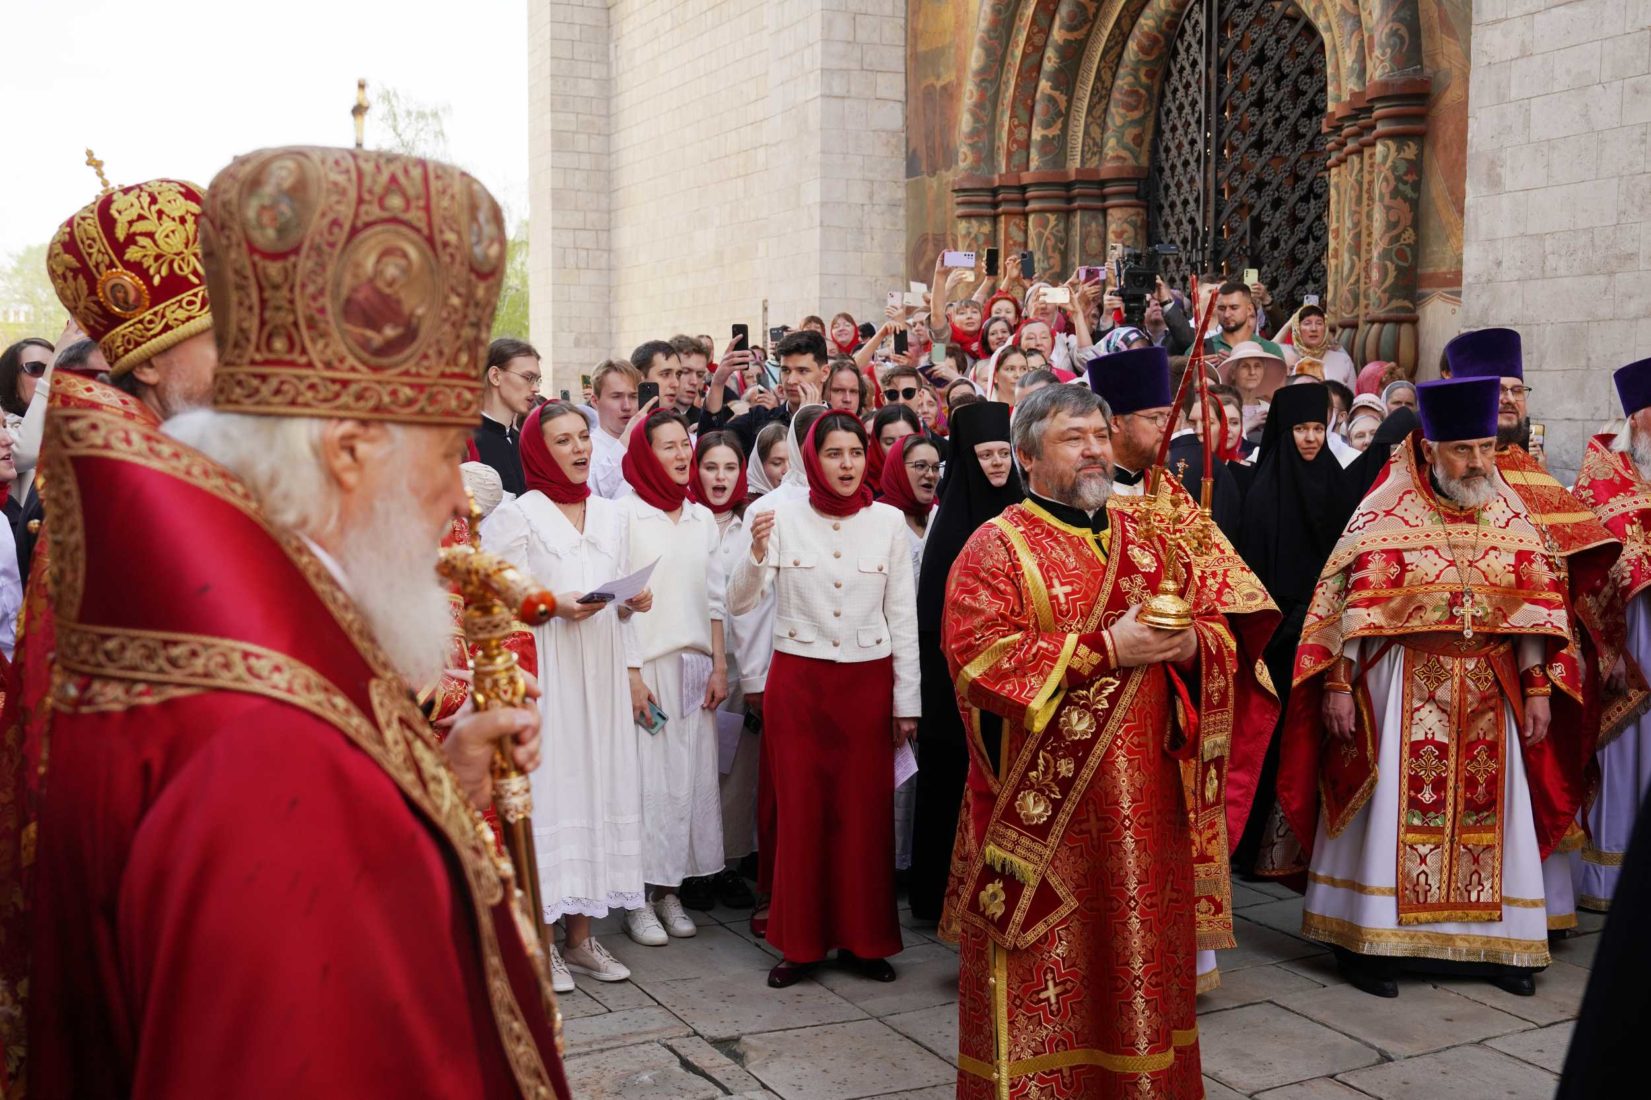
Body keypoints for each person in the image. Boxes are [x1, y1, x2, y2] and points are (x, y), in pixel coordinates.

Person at [28, 145, 569, 1097]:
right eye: (445, 454)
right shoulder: (259, 741)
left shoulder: (258, 615)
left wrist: (440, 780)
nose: (458, 498)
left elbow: (333, 888)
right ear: (351, 452)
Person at [942, 383, 1277, 1096]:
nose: (1094, 449)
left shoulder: (1150, 538)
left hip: (1148, 814)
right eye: (1073, 437)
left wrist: (1193, 646)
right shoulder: (996, 547)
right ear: (1028, 455)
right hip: (1048, 822)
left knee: (1140, 970)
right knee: (1048, 977)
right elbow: (979, 662)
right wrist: (1106, 650)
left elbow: (1220, 634)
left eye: (1099, 434)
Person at [1275, 377, 1613, 1000]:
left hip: (1490, 688)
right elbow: (1342, 605)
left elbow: (1534, 610)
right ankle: (1371, 941)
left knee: (1495, 817)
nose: (1479, 462)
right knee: (1387, 817)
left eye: (1485, 448)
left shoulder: (1510, 513)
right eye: (1463, 450)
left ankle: (1500, 945)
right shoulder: (1383, 512)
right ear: (1430, 449)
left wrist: (1538, 688)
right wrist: (1338, 685)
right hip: (1402, 684)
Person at [1443, 327, 1627, 931]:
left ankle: (1531, 911)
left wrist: (1602, 646)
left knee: (1537, 778)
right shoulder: (1431, 472)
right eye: (1495, 389)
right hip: (1446, 661)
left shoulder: (1542, 480)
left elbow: (1588, 580)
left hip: (1542, 661)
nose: (1508, 400)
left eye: (1517, 390)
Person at [728, 411, 920, 988]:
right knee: (803, 814)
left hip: (867, 684)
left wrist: (906, 702)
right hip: (799, 684)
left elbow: (902, 616)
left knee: (864, 816)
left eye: (855, 453)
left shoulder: (887, 521)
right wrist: (755, 553)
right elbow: (740, 602)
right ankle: (801, 944)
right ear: (813, 458)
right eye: (834, 453)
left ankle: (865, 941)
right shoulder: (776, 516)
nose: (846, 464)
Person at [480, 400, 647, 992]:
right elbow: (494, 604)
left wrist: (632, 604)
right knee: (552, 796)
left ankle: (581, 939)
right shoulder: (517, 516)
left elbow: (621, 596)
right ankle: (541, 942)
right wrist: (553, 606)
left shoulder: (611, 514)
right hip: (547, 673)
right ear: (537, 450)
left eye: (582, 438)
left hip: (600, 670)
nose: (578, 449)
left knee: (597, 792)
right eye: (563, 441)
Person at [1231, 383, 1354, 875]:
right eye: (1301, 429)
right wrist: (1290, 619)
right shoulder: (1264, 494)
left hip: (1327, 636)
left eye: (1318, 429)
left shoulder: (1338, 485)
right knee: (1275, 739)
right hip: (1278, 641)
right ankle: (1259, 851)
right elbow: (1253, 577)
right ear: (1285, 432)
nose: (1310, 438)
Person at [908, 402, 1022, 923]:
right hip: (953, 684)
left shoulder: (1023, 513)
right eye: (985, 455)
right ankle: (938, 898)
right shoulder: (949, 521)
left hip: (1013, 677)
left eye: (1002, 453)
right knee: (950, 782)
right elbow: (932, 612)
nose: (996, 464)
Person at [617, 408, 728, 941]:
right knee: (648, 783)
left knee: (688, 781)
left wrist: (719, 664)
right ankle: (636, 897)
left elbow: (714, 599)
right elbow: (619, 603)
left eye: (685, 444)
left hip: (694, 666)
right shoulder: (623, 515)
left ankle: (670, 891)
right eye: (669, 446)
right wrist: (632, 674)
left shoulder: (701, 518)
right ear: (645, 454)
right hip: (647, 665)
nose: (683, 454)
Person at [1567, 356, 1651, 910]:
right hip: (1631, 636)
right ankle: (1610, 878)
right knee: (1625, 750)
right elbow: (1588, 569)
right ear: (1636, 415)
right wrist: (1606, 647)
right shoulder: (1602, 473)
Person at [689, 431, 762, 910]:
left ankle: (729, 865)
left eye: (729, 468)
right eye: (711, 467)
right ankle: (692, 868)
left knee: (735, 774)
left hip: (739, 666)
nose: (720, 477)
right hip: (691, 665)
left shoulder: (750, 524)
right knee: (695, 771)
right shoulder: (683, 519)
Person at [1082, 344, 1176, 497]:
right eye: (1154, 417)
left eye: (1167, 416)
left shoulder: (1169, 486)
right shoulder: (1084, 493)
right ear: (1114, 423)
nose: (1166, 428)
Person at [473, 337, 540, 496]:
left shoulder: (526, 443)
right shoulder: (463, 442)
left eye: (538, 380)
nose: (536, 388)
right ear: (496, 376)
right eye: (528, 378)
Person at [588, 357, 642, 499]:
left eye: (633, 396)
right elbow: (593, 495)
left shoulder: (650, 445)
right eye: (616, 396)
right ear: (595, 401)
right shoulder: (586, 449)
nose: (627, 406)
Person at [1205, 282, 1286, 363]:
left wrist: (1234, 365)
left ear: (1249, 309)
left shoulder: (1270, 350)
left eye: (1234, 308)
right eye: (1221, 308)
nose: (1227, 314)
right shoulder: (1203, 348)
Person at [1280, 303, 1356, 388]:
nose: (1314, 329)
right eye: (1307, 323)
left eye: (1319, 323)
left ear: (1325, 328)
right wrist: (1287, 326)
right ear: (1297, 328)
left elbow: (1352, 394)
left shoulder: (1343, 360)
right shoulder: (1289, 360)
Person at [632, 339, 685, 414]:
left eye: (678, 375)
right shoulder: (622, 419)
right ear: (640, 378)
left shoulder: (684, 420)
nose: (676, 384)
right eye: (665, 374)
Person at [747, 420, 789, 499]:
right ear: (759, 465)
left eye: (792, 462)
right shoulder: (749, 504)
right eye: (777, 463)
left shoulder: (803, 497)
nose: (787, 470)